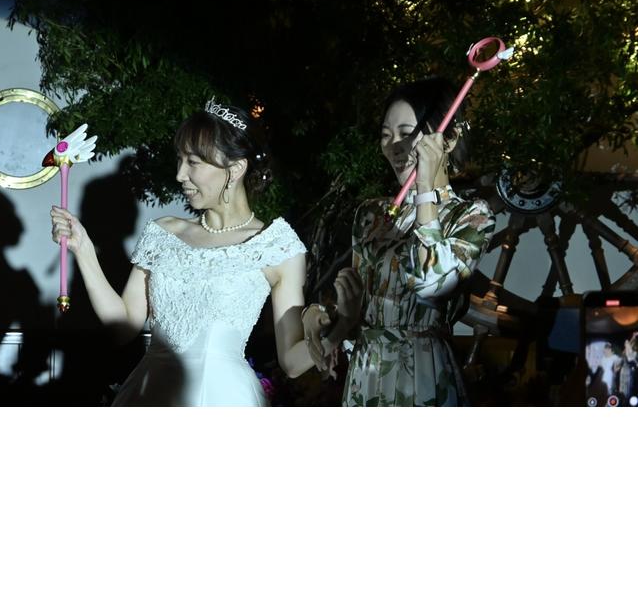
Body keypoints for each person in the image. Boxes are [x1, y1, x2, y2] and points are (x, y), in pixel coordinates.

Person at [50, 99, 323, 406]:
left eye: (193, 162)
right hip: (149, 393)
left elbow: (292, 362)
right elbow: (123, 327)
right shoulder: (163, 233)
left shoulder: (276, 246)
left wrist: (338, 330)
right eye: (180, 160)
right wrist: (84, 249)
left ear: (235, 169)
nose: (180, 174)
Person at [302, 77, 495, 407]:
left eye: (407, 133)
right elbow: (362, 303)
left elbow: (430, 283)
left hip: (422, 373)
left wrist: (425, 189)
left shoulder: (471, 216)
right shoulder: (372, 215)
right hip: (366, 372)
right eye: (386, 135)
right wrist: (323, 312)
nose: (394, 147)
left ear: (447, 139)